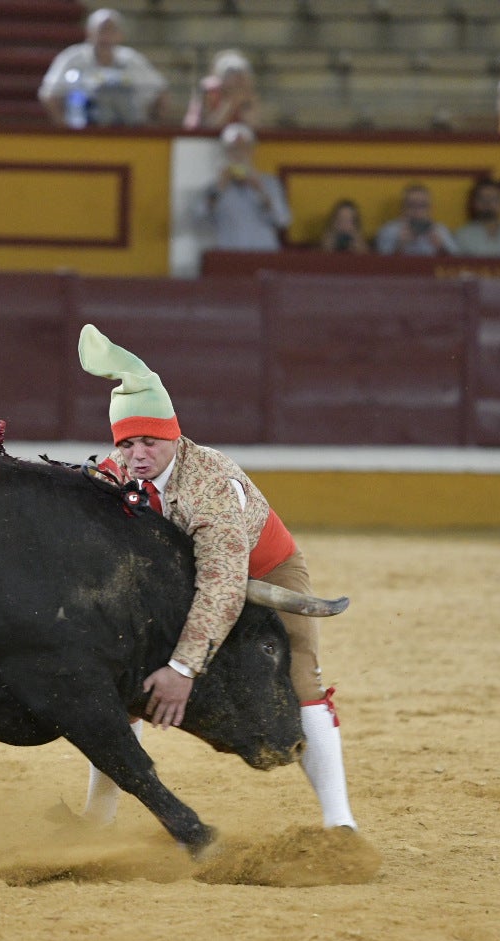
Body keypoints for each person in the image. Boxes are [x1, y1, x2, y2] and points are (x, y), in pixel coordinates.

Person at [75, 324, 357, 832]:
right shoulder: (114, 472)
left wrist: (183, 670)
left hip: (264, 569)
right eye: (128, 442)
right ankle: (97, 819)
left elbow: (224, 586)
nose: (139, 454)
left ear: (174, 436)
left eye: (152, 441)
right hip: (171, 580)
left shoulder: (212, 488)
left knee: (301, 682)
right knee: (120, 685)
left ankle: (341, 825)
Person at [39, 8, 168, 128]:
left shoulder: (132, 60)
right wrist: (65, 128)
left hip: (128, 133)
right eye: (102, 31)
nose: (106, 37)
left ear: (120, 35)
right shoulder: (72, 59)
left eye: (111, 31)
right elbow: (48, 95)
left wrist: (151, 128)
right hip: (84, 132)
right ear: (89, 33)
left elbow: (161, 91)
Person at [193, 123, 289, 253]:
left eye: (244, 148)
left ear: (252, 151)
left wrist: (260, 190)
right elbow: (199, 220)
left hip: (264, 254)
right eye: (233, 149)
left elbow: (282, 220)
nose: (238, 154)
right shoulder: (215, 187)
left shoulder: (270, 183)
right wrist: (219, 189)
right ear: (226, 153)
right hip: (229, 258)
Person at [183, 48, 261, 131]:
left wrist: (243, 105)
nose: (238, 80)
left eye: (241, 74)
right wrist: (230, 104)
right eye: (232, 74)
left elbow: (255, 126)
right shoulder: (209, 91)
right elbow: (207, 127)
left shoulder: (247, 94)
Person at [374, 182, 457, 256]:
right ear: (402, 208)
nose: (417, 211)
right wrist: (399, 246)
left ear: (430, 209)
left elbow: (458, 264)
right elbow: (379, 266)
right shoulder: (389, 230)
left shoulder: (440, 230)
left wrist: (441, 249)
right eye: (412, 205)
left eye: (422, 206)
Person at [453, 177, 500, 257]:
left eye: (493, 199)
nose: (488, 204)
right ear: (474, 203)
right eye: (482, 199)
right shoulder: (462, 236)